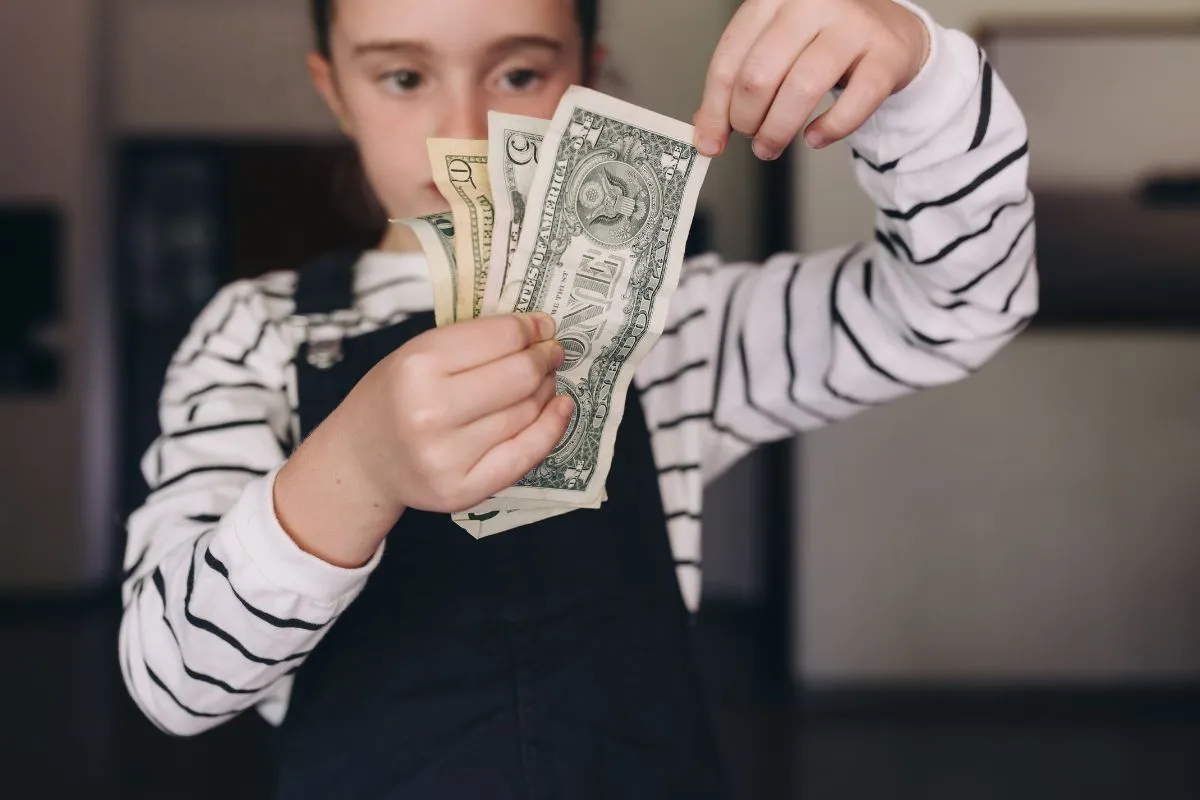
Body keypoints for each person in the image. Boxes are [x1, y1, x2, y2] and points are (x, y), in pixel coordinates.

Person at [119, 0, 1037, 795]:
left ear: (586, 79)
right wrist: (354, 466)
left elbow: (957, 307)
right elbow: (174, 683)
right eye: (403, 77)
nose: (465, 133)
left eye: (518, 72)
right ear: (335, 90)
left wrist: (921, 79)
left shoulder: (676, 327)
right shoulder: (258, 333)